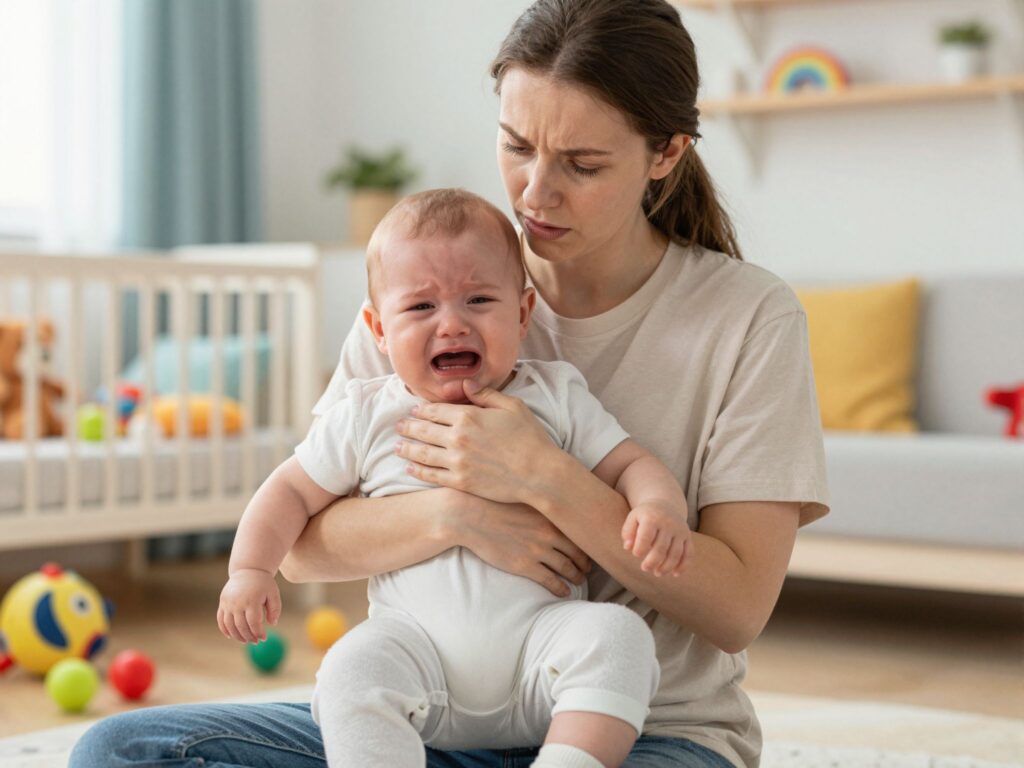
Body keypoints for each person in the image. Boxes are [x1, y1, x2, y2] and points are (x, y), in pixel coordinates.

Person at [69, 1, 828, 766]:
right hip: (428, 717)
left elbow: (735, 609)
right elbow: (300, 544)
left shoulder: (748, 318)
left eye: (583, 164)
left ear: (665, 153)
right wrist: (459, 515)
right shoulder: (428, 286)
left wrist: (543, 476)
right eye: (516, 145)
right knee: (125, 751)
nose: (536, 192)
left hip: (647, 733)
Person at [217, 187, 694, 768]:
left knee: (619, 638)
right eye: (421, 308)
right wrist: (250, 568)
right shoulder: (366, 413)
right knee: (350, 666)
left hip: (539, 659)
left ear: (522, 314)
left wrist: (658, 507)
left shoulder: (553, 394)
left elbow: (631, 463)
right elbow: (290, 491)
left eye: (478, 300)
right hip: (415, 661)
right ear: (378, 330)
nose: (452, 325)